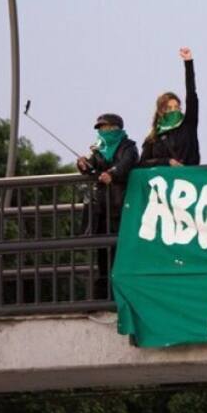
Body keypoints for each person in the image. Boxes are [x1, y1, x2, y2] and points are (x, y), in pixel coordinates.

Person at [76, 112, 138, 297]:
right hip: (101, 209)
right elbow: (90, 165)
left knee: (121, 252)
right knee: (103, 253)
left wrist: (112, 174)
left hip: (123, 207)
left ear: (117, 128)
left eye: (107, 127)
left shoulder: (129, 147)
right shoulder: (98, 149)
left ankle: (123, 294)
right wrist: (83, 164)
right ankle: (103, 295)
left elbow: (127, 164)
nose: (104, 131)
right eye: (101, 128)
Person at [138, 47, 200, 167]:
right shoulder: (153, 138)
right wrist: (167, 162)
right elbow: (142, 163)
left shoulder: (188, 125)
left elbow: (191, 95)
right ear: (161, 111)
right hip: (165, 183)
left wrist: (188, 63)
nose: (174, 111)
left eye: (176, 107)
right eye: (169, 108)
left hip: (189, 180)